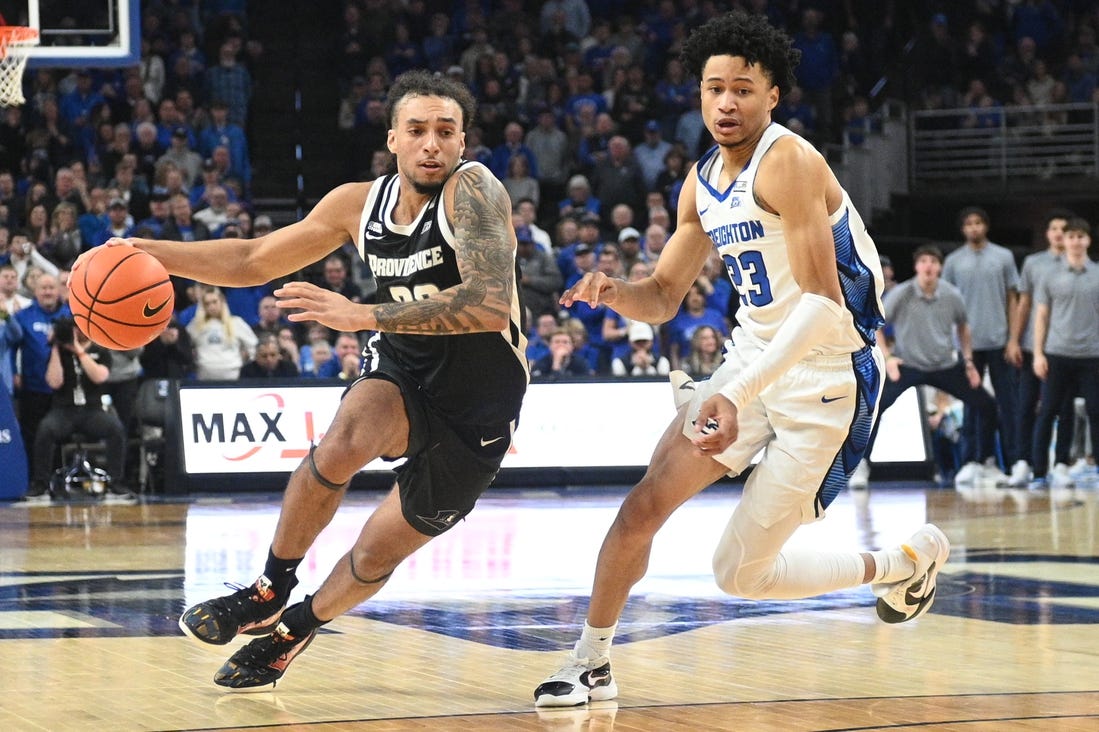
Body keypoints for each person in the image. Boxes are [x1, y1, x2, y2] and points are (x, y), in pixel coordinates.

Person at [534, 12, 950, 708]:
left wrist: (733, 391)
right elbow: (664, 296)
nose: (726, 103)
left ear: (771, 97)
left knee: (739, 575)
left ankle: (900, 565)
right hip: (751, 360)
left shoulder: (789, 160)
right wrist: (614, 293)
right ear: (698, 96)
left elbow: (822, 304)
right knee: (642, 507)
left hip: (828, 376)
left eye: (742, 90)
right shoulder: (698, 183)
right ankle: (591, 661)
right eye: (713, 89)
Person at [79, 70, 527, 690]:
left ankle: (295, 628)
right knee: (345, 437)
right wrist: (143, 252)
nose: (432, 144)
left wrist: (360, 314)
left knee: (375, 553)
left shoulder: (475, 191)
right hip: (404, 367)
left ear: (462, 142)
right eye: (417, 130)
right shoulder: (356, 203)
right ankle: (270, 587)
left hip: (479, 403)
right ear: (392, 138)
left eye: (445, 132)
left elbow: (488, 304)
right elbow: (252, 259)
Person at [847, 245, 1004, 490]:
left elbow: (963, 327)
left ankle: (982, 463)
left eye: (933, 261)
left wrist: (969, 362)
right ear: (916, 266)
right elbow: (876, 324)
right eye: (924, 261)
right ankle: (860, 465)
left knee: (986, 405)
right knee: (874, 407)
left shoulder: (952, 294)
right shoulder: (902, 293)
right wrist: (888, 358)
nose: (929, 266)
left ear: (940, 267)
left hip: (944, 364)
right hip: (908, 364)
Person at [942, 207, 1021, 484]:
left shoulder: (1003, 257)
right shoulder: (953, 261)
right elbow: (946, 303)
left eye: (978, 223)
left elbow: (1013, 299)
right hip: (968, 345)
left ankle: (1013, 464)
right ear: (963, 229)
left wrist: (1013, 339)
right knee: (973, 403)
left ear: (985, 226)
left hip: (999, 340)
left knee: (1008, 403)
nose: (974, 228)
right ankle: (973, 460)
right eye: (969, 224)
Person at [1004, 209, 1076, 487]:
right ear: (1047, 233)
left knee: (1063, 407)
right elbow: (1024, 304)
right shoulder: (1034, 263)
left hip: (1063, 348)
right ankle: (1023, 461)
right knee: (1026, 404)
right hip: (1033, 345)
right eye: (1054, 228)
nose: (1058, 233)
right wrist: (1014, 339)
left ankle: (1061, 463)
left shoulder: (1077, 264)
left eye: (1064, 229)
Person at [28, 317, 133, 502]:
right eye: (75, 329)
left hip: (92, 410)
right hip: (64, 410)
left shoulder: (100, 349)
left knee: (115, 428)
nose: (78, 332)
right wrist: (55, 347)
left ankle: (117, 481)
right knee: (45, 429)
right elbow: (54, 381)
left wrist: (80, 352)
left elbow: (100, 377)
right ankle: (40, 483)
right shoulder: (59, 351)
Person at [1029, 217, 1099, 489]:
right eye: (1072, 237)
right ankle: (1038, 471)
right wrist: (1038, 353)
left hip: (1092, 355)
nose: (1076, 241)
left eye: (1081, 237)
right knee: (1048, 411)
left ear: (1088, 241)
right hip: (1057, 353)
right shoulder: (1050, 275)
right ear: (1065, 240)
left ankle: (1093, 466)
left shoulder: (1097, 274)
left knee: (1095, 410)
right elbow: (1042, 316)